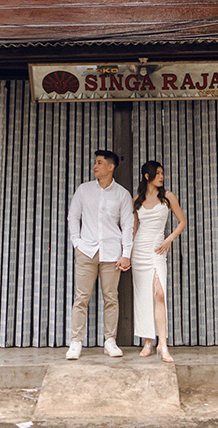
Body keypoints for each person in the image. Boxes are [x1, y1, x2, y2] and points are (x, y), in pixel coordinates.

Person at [66, 149, 133, 360]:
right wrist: (77, 243)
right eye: (95, 162)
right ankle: (76, 342)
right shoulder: (84, 190)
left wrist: (126, 254)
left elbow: (128, 225)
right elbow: (73, 217)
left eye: (99, 163)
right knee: (81, 298)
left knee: (111, 298)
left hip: (112, 253)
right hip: (86, 251)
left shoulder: (122, 194)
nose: (95, 166)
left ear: (111, 167)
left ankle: (110, 341)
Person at [131, 160, 187, 363]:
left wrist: (169, 239)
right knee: (144, 296)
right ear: (147, 176)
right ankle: (148, 340)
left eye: (163, 173)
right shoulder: (136, 200)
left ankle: (163, 344)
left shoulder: (168, 197)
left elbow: (182, 222)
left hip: (157, 249)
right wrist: (126, 254)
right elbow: (133, 230)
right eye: (158, 173)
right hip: (140, 251)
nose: (161, 176)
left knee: (159, 293)